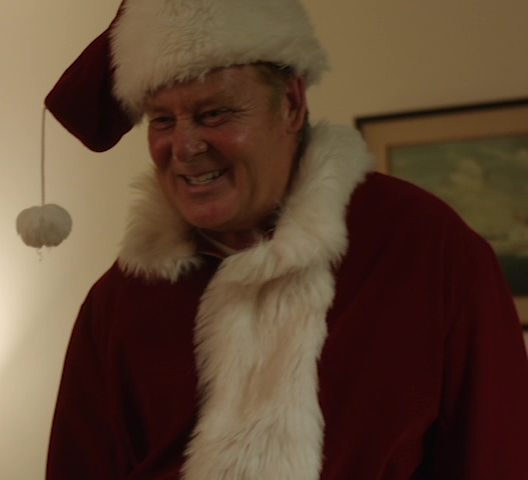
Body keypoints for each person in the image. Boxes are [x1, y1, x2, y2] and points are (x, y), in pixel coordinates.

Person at [43, 0, 528, 479]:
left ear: (292, 104)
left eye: (214, 113)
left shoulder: (428, 252)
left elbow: (496, 458)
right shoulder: (119, 303)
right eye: (162, 120)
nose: (184, 147)